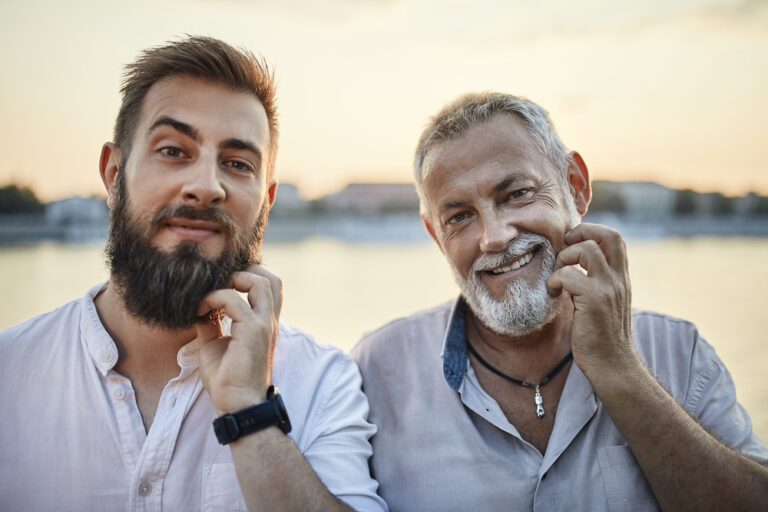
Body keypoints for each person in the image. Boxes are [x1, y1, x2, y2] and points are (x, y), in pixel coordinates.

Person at [0, 36, 386, 512]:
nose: (206, 187)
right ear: (114, 174)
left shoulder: (323, 382)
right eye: (173, 151)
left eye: (237, 163)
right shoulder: (7, 372)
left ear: (265, 202)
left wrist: (251, 411)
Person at [352, 92, 768, 511]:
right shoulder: (376, 372)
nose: (494, 236)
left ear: (576, 186)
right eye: (459, 216)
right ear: (435, 235)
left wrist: (619, 368)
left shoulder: (679, 352)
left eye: (516, 194)